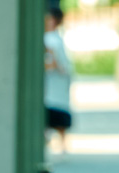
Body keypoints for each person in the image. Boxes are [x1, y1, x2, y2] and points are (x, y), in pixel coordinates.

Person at [44, 7, 73, 155]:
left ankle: (59, 145)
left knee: (51, 116)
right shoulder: (56, 38)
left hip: (52, 86)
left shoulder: (50, 39)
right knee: (57, 117)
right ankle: (62, 146)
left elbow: (52, 61)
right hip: (57, 86)